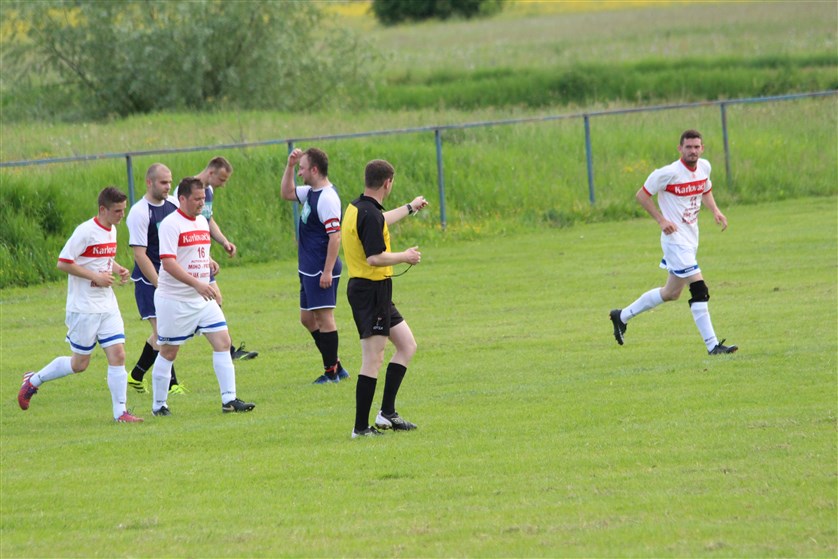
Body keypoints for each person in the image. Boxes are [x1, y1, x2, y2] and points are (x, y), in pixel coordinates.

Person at [17, 186, 143, 423]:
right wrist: (95, 277)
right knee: (79, 364)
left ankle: (121, 413)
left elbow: (103, 257)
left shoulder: (112, 229)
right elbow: (63, 262)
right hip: (83, 307)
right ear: (103, 209)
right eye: (117, 211)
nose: (121, 215)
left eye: (123, 210)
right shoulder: (85, 231)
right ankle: (33, 380)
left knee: (118, 354)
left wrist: (118, 269)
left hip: (107, 305)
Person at [609, 129, 738, 355]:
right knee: (699, 289)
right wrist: (661, 220)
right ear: (680, 149)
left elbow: (705, 189)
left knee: (671, 293)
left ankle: (622, 316)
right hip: (675, 241)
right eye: (688, 147)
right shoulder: (667, 173)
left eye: (696, 147)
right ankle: (713, 346)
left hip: (691, 239)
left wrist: (715, 211)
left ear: (702, 149)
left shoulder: (704, 167)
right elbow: (641, 195)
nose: (693, 151)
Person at [149, 176, 255, 416]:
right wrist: (198, 284)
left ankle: (229, 400)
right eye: (197, 199)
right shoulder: (170, 224)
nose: (201, 203)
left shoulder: (200, 222)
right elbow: (168, 263)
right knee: (169, 352)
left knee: (223, 342)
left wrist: (208, 262)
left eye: (203, 199)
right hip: (174, 300)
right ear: (182, 198)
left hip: (201, 299)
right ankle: (159, 405)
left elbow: (195, 251)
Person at [341, 159, 428, 438]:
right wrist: (405, 256)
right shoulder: (368, 214)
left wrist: (410, 207)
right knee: (373, 359)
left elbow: (380, 220)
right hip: (369, 292)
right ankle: (360, 428)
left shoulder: (359, 207)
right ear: (387, 183)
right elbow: (374, 257)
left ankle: (387, 413)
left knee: (407, 345)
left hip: (377, 291)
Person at [281, 147, 350, 384]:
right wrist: (290, 165)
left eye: (301, 168)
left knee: (324, 318)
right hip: (308, 268)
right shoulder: (312, 192)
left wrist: (327, 271)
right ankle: (337, 366)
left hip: (321, 268)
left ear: (315, 169)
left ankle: (331, 373)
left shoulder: (327, 198)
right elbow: (286, 193)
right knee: (307, 319)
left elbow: (335, 237)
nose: (299, 173)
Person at [125, 163, 188, 395]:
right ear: (149, 182)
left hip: (170, 277)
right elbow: (140, 255)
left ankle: (136, 375)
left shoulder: (173, 204)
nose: (168, 186)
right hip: (149, 281)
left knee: (164, 332)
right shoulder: (140, 212)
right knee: (164, 332)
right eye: (163, 182)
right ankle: (171, 385)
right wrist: (160, 284)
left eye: (170, 182)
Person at [195, 156, 259, 361]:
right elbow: (185, 227)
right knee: (207, 301)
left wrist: (223, 241)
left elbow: (208, 218)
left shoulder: (208, 191)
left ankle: (227, 349)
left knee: (215, 298)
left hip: (201, 254)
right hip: (191, 257)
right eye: (221, 179)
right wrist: (205, 256)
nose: (223, 185)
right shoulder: (186, 190)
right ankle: (225, 349)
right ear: (211, 172)